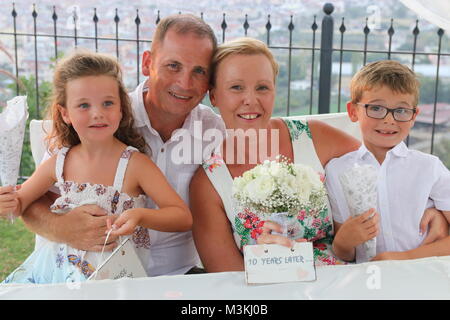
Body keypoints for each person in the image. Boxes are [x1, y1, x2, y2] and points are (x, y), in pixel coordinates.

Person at [15, 14, 225, 276]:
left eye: (199, 71)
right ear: (147, 63)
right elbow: (29, 200)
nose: (184, 83)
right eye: (173, 65)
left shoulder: (214, 130)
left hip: (178, 273)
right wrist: (64, 228)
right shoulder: (96, 113)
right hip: (82, 273)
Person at [0, 51, 192, 284]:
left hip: (115, 279)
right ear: (65, 113)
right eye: (83, 105)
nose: (98, 113)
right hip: (57, 277)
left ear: (121, 108)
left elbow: (181, 216)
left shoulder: (135, 164)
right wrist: (9, 202)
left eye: (108, 103)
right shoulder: (59, 162)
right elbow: (20, 202)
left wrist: (140, 215)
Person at [326, 60, 450, 263]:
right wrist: (343, 242)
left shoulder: (429, 168)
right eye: (376, 108)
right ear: (353, 111)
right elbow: (345, 254)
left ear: (414, 116)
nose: (389, 120)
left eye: (401, 110)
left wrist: (403, 258)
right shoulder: (337, 171)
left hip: (423, 280)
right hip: (366, 282)